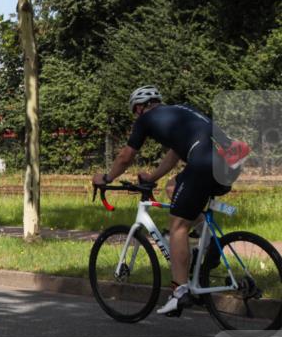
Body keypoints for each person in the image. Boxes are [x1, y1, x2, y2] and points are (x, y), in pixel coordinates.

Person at [92, 86, 247, 316]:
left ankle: (179, 291)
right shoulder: (181, 111)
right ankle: (209, 241)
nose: (137, 115)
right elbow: (174, 155)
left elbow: (126, 156)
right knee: (173, 187)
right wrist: (152, 177)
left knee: (177, 226)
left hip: (205, 163)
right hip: (232, 160)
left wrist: (106, 178)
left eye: (136, 111)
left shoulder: (146, 120)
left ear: (139, 108)